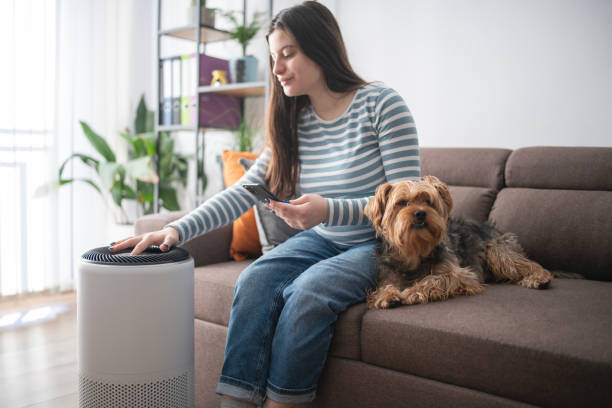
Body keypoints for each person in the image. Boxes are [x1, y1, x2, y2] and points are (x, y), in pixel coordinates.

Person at [110, 2, 420, 407]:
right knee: (254, 280)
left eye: (287, 54)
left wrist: (327, 210)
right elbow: (244, 190)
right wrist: (175, 229)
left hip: (380, 245)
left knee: (308, 292)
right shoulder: (294, 121)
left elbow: (407, 204)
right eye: (274, 57)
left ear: (321, 47)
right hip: (325, 240)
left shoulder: (382, 104)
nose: (277, 69)